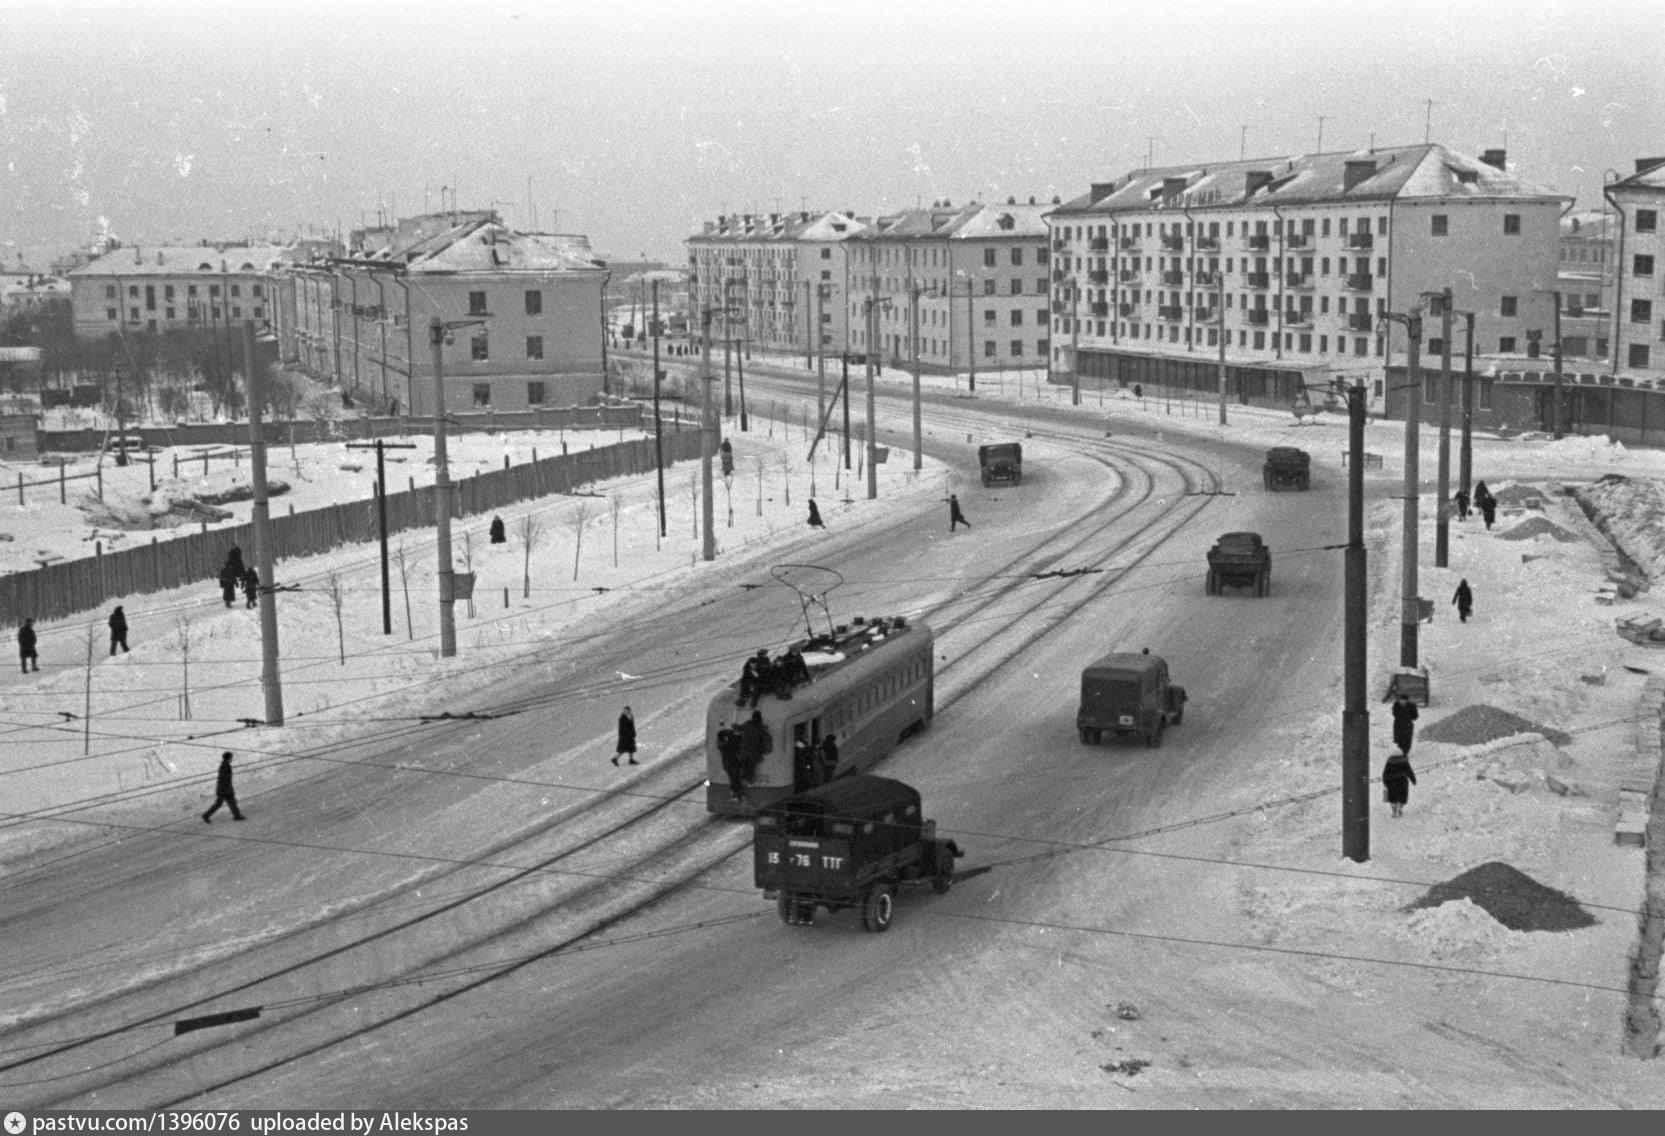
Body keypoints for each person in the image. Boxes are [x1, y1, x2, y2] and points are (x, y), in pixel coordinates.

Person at [202, 751, 245, 822]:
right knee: (228, 803)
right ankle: (237, 816)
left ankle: (237, 815)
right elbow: (226, 780)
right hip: (224, 790)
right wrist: (229, 790)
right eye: (231, 758)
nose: (232, 759)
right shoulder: (226, 767)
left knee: (225, 803)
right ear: (228, 758)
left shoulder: (224, 765)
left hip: (222, 789)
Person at [738, 710, 772, 783]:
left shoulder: (747, 724)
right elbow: (764, 737)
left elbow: (740, 728)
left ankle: (743, 775)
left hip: (744, 750)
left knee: (744, 763)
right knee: (751, 765)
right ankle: (749, 779)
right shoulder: (760, 727)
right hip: (754, 751)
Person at [1382, 750, 1417, 818]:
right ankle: (1400, 808)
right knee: (1402, 797)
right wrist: (1413, 780)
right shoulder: (1404, 762)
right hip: (1403, 781)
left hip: (1392, 782)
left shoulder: (1389, 762)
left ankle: (1394, 812)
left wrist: (1385, 782)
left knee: (1393, 797)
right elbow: (1409, 771)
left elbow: (1385, 773)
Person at [717, 724, 746, 802]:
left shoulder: (722, 742)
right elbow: (732, 745)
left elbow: (732, 743)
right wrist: (736, 735)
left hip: (729, 763)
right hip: (731, 763)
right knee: (734, 778)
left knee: (735, 778)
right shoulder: (724, 745)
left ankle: (737, 794)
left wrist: (735, 734)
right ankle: (735, 794)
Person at [1391, 691, 1420, 757]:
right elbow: (1395, 714)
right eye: (1401, 700)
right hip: (1400, 725)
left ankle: (1404, 753)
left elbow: (1415, 716)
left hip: (1406, 725)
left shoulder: (1411, 706)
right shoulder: (1396, 705)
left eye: (1404, 700)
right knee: (1400, 740)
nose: (1402, 701)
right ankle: (1402, 753)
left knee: (1406, 741)